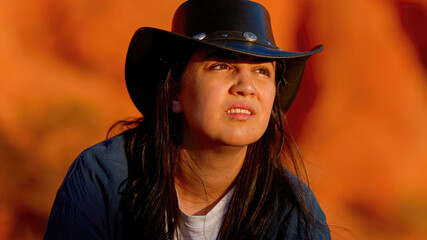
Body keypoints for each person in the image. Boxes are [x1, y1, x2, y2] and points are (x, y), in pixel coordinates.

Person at [44, 0, 330, 239]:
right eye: (221, 65)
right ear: (175, 93)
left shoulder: (292, 212)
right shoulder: (103, 180)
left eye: (262, 72)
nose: (246, 86)